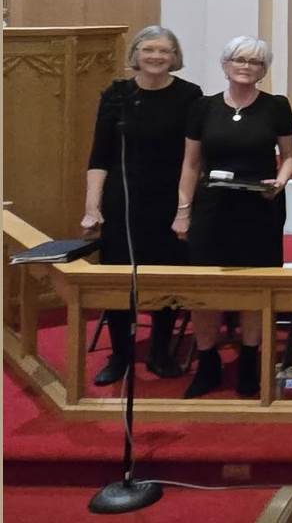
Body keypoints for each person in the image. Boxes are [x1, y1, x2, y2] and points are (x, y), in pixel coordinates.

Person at [173, 36, 292, 398]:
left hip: (260, 207)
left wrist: (283, 179)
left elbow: (289, 155)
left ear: (263, 70)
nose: (246, 66)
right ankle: (208, 362)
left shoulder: (276, 106)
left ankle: (249, 362)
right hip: (212, 210)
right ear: (226, 65)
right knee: (205, 288)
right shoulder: (203, 107)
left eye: (255, 62)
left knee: (255, 286)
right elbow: (191, 163)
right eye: (239, 60)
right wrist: (183, 212)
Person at [81, 26, 202, 386]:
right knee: (119, 277)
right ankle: (120, 354)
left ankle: (160, 350)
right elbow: (99, 155)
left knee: (167, 273)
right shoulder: (117, 95)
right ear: (135, 54)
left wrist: (185, 207)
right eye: (148, 49)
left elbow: (193, 158)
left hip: (170, 197)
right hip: (123, 199)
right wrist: (93, 205)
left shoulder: (190, 96)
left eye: (164, 51)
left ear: (174, 56)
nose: (156, 57)